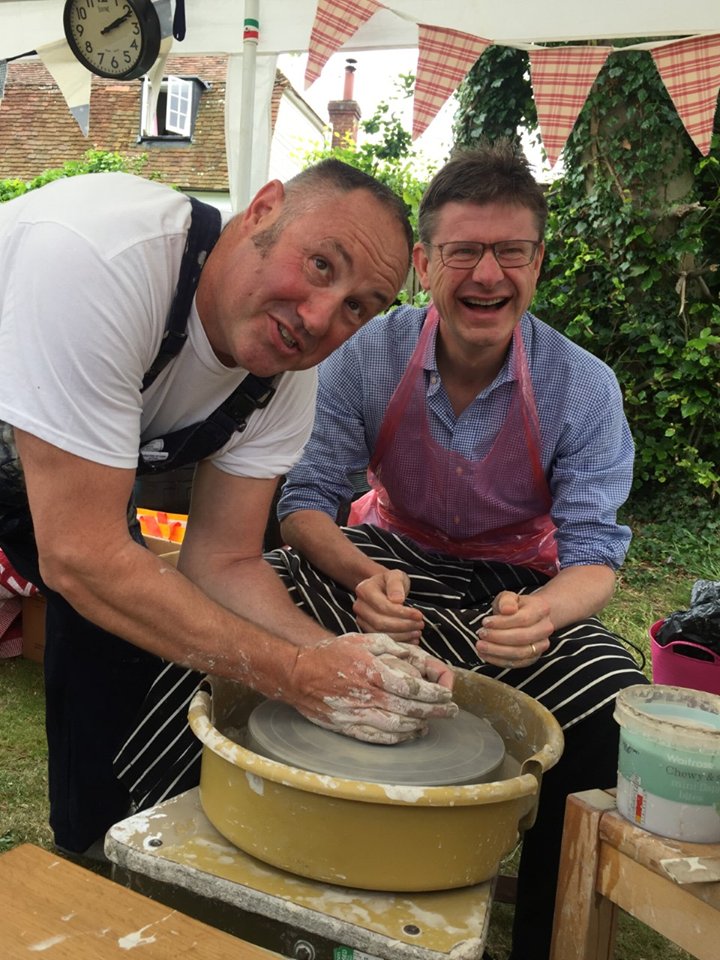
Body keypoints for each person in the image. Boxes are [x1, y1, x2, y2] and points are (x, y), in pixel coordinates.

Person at [0, 160, 457, 859]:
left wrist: (342, 659)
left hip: (58, 448)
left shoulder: (283, 380)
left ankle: (89, 855)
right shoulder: (103, 260)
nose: (317, 319)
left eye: (358, 307)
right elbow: (80, 555)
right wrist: (297, 678)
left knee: (117, 631)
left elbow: (225, 559)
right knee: (101, 577)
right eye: (320, 265)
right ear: (265, 209)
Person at [265, 142, 649, 960]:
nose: (486, 276)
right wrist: (361, 575)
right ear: (422, 262)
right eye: (463, 252)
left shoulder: (583, 386)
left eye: (510, 252)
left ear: (538, 262)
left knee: (612, 698)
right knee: (257, 588)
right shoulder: (365, 352)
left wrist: (540, 615)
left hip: (509, 595)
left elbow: (594, 559)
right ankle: (267, 851)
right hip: (387, 566)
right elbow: (303, 505)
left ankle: (549, 932)